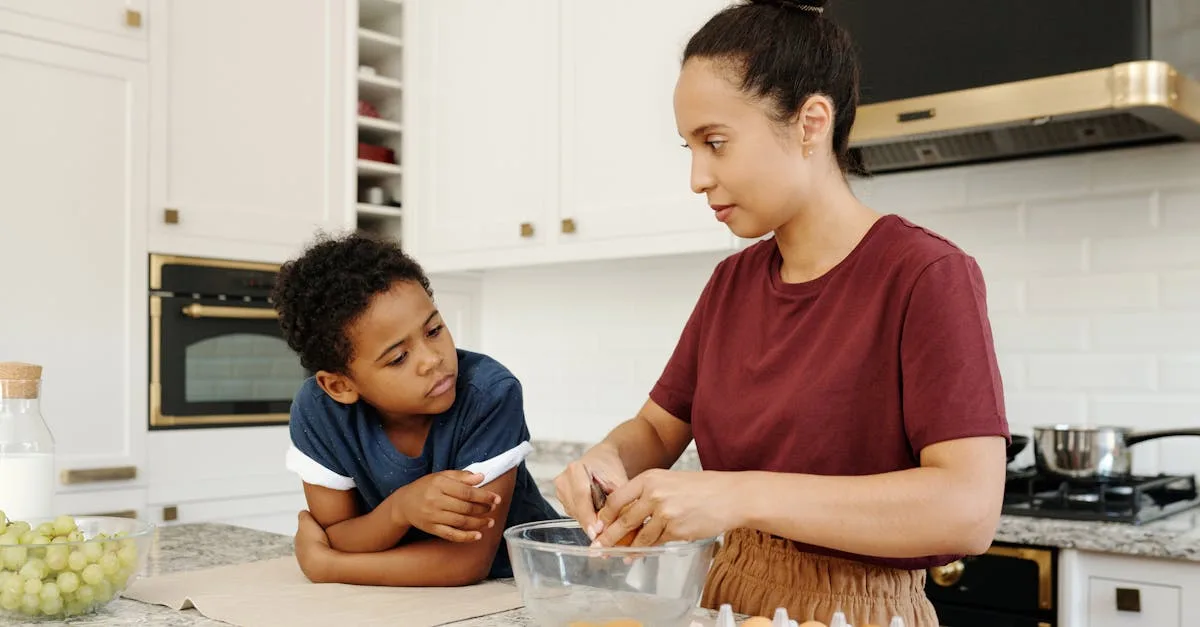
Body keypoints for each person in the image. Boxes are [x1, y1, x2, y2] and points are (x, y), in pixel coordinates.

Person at [553, 0, 1009, 624]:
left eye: (715, 143)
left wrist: (738, 494)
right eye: (689, 146)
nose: (696, 177)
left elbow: (968, 509)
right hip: (727, 599)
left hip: (861, 612)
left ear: (810, 123)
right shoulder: (730, 283)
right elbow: (659, 430)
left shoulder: (925, 275)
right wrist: (607, 460)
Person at [273, 232, 560, 587]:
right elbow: (337, 535)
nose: (432, 359)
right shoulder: (320, 412)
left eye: (434, 329)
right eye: (398, 358)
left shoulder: (488, 395)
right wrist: (400, 509)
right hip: (409, 594)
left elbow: (467, 564)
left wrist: (328, 567)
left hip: (526, 585)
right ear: (340, 386)